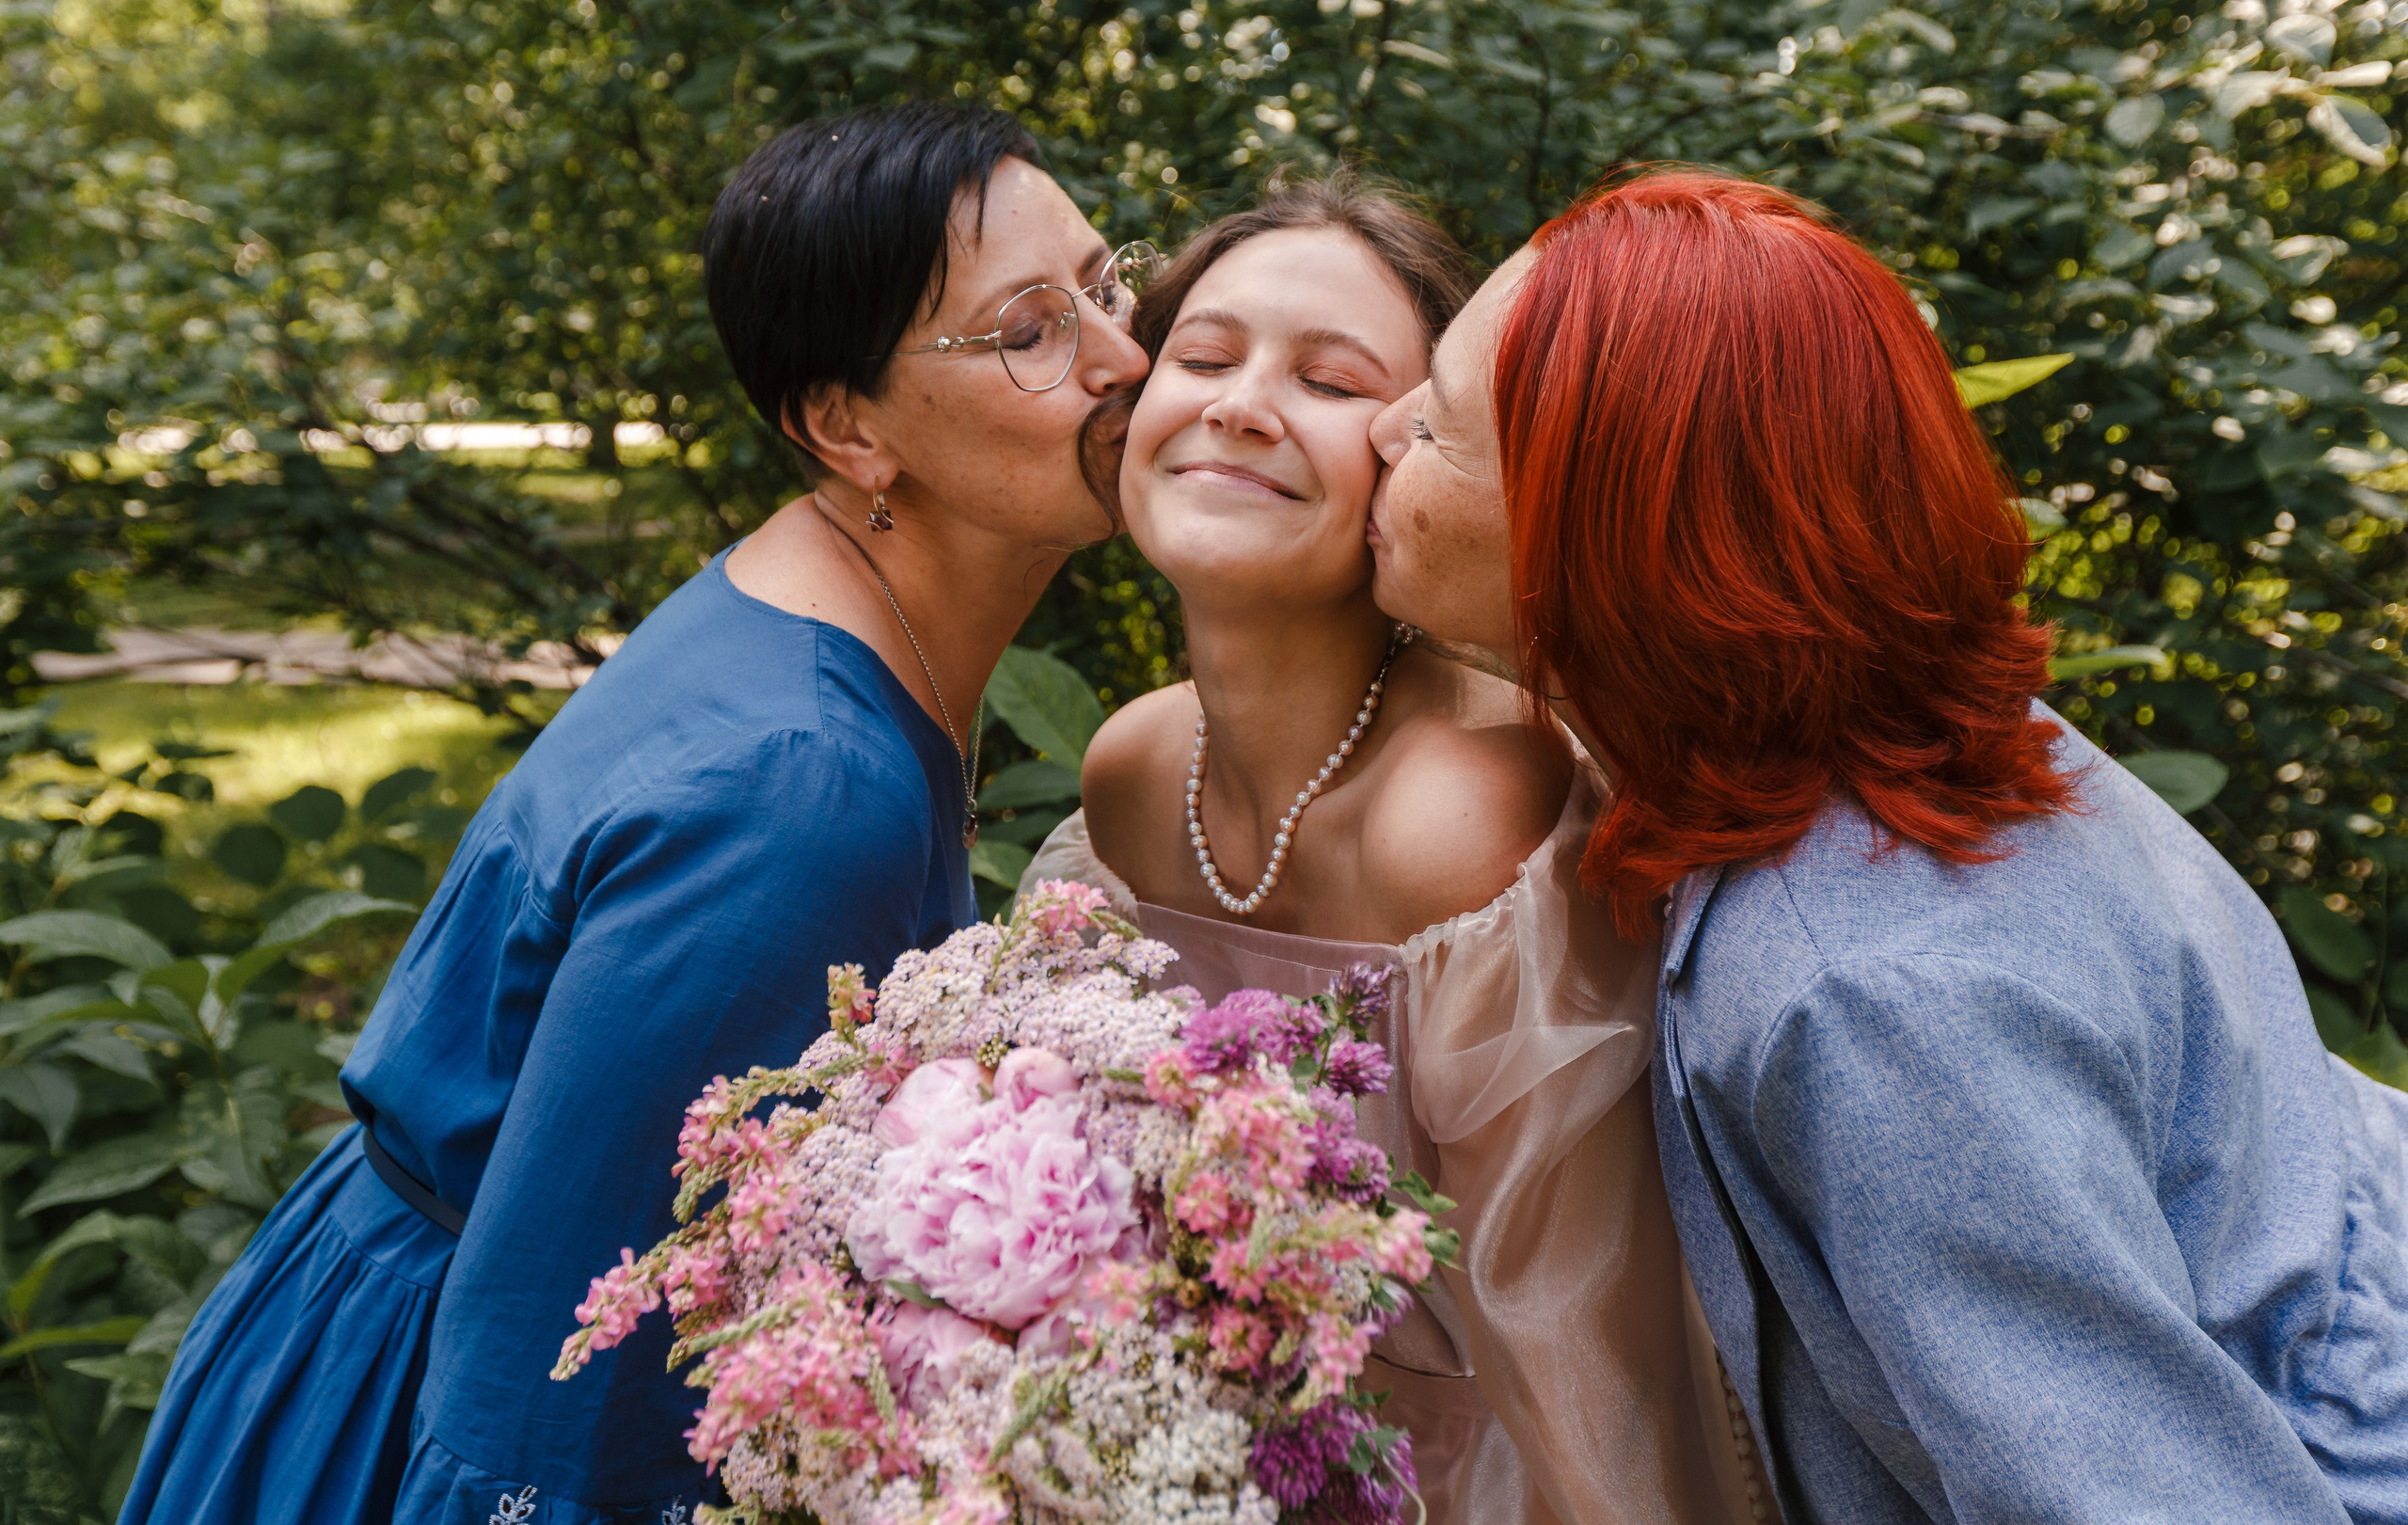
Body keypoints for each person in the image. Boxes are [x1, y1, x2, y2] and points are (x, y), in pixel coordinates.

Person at [119, 102, 1152, 1525]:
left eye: (1107, 283)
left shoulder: (827, 605)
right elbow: (560, 1377)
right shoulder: (806, 790)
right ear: (848, 428)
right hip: (426, 1411)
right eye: (1030, 329)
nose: (1123, 356)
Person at [1365, 167, 2408, 1522]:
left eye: (1437, 428)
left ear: (1600, 541)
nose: (1381, 428)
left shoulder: (1867, 994)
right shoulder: (1925, 735)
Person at [1022, 173, 1755, 1524]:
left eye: (1328, 380)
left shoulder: (1468, 804)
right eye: (1204, 357)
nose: (1243, 405)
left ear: (1414, 450)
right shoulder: (1132, 770)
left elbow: (1594, 1364)